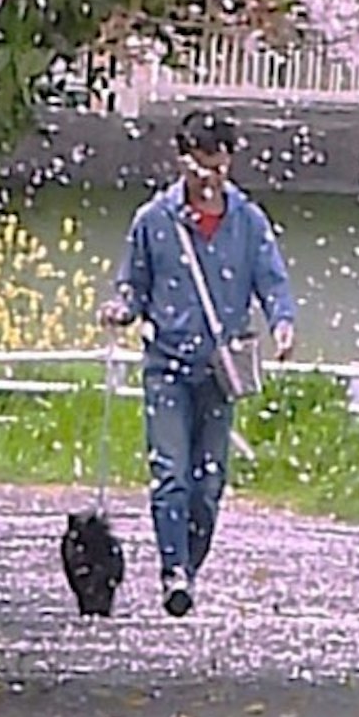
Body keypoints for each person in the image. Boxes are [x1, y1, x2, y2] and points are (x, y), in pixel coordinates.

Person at [99, 108, 299, 615]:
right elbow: (133, 284)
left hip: (220, 370)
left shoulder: (248, 222)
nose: (210, 178)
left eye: (220, 166)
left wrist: (282, 322)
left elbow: (272, 280)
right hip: (166, 363)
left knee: (208, 484)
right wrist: (121, 308)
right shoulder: (154, 220)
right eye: (202, 166)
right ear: (183, 159)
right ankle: (174, 572)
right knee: (171, 472)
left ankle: (190, 561)